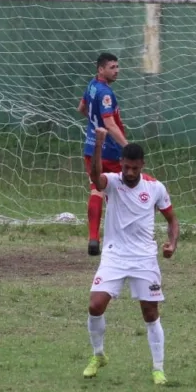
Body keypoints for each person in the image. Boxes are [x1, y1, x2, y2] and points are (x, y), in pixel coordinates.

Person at [82, 128, 179, 385]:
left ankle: (158, 368)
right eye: (126, 167)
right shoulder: (113, 182)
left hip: (144, 259)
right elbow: (94, 176)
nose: (130, 173)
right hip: (114, 256)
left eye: (134, 169)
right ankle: (98, 355)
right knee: (95, 305)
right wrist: (99, 144)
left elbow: (172, 220)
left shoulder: (155, 188)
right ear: (121, 165)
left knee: (150, 312)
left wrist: (172, 243)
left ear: (142, 166)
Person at [77, 52, 128, 256]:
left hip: (91, 149)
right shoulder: (106, 93)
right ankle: (120, 240)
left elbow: (81, 108)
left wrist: (93, 124)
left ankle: (93, 238)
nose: (117, 71)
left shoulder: (91, 85)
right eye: (112, 67)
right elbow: (109, 124)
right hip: (110, 153)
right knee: (120, 194)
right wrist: (127, 147)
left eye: (117, 67)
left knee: (96, 191)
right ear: (101, 69)